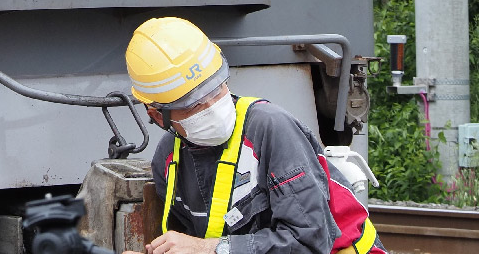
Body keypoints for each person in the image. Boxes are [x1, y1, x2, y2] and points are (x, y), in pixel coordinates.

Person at [124, 17, 384, 254]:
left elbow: (310, 242)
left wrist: (212, 249)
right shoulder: (168, 160)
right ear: (159, 115)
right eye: (194, 103)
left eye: (217, 88)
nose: (213, 105)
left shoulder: (271, 130)